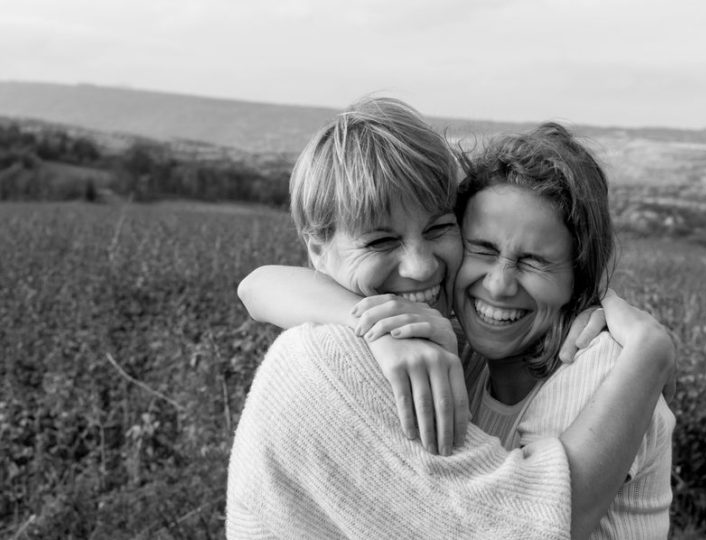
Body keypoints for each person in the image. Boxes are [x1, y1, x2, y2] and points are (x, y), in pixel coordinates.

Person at [227, 97, 675, 539]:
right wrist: (364, 320)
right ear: (316, 249)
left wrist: (643, 350)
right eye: (380, 241)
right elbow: (255, 286)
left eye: (439, 228)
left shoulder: (510, 354)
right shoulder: (344, 355)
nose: (421, 267)